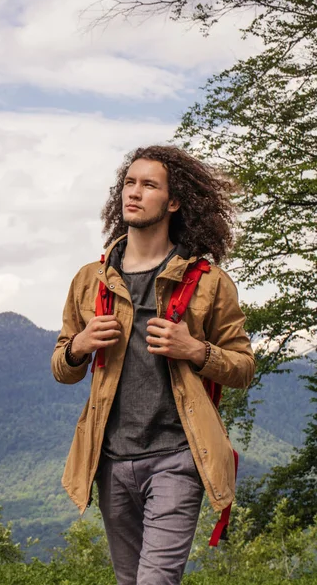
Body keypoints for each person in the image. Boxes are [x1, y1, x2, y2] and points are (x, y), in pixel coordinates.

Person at [51, 145, 255, 585]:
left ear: (174, 201)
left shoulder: (208, 282)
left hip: (179, 458)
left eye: (149, 185)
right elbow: (62, 367)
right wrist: (80, 345)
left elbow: (243, 368)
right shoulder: (91, 279)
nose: (134, 193)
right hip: (109, 461)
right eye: (129, 183)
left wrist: (195, 350)